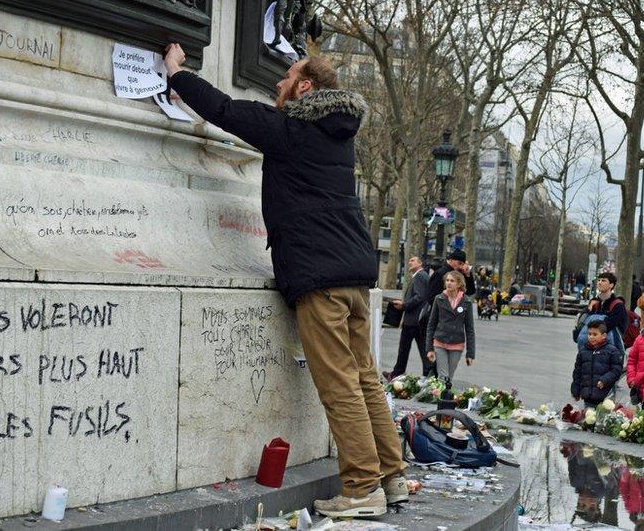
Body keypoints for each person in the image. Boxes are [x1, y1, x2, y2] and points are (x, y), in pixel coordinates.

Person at [163, 47, 403, 517]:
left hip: (320, 277)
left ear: (305, 86)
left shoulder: (293, 130)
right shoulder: (338, 136)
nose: (277, 83)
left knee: (339, 386)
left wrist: (177, 72)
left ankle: (361, 489)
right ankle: (392, 477)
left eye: (287, 76)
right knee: (366, 381)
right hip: (353, 273)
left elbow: (225, 111)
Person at [384, 256, 430, 380]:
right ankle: (427, 372)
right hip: (417, 320)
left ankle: (397, 373)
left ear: (420, 263)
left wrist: (404, 305)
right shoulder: (421, 276)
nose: (409, 262)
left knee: (405, 348)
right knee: (420, 348)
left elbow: (419, 297)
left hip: (413, 320)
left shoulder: (420, 276)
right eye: (409, 260)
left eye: (413, 260)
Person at [426, 271, 476, 382]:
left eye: (452, 281)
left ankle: (443, 396)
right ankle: (441, 398)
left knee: (449, 378)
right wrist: (429, 348)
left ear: (459, 284)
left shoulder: (466, 302)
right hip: (440, 342)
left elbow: (469, 329)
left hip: (457, 345)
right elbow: (431, 325)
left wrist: (470, 354)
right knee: (443, 376)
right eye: (447, 280)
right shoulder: (439, 299)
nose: (448, 283)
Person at [571, 322, 624, 407]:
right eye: (589, 334)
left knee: (602, 418)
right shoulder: (583, 351)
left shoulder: (612, 351)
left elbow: (616, 370)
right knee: (588, 418)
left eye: (595, 334)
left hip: (605, 397)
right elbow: (577, 372)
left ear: (604, 336)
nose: (591, 337)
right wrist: (575, 390)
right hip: (587, 397)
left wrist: (605, 380)